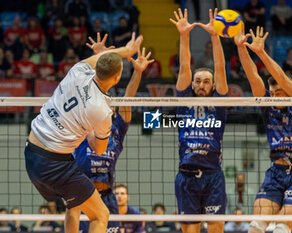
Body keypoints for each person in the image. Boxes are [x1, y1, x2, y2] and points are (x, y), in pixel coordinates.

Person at [24, 32, 143, 233]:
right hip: (54, 165)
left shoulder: (77, 70)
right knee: (101, 215)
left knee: (74, 205)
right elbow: (99, 149)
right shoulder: (102, 111)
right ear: (116, 78)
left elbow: (100, 59)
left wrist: (127, 51)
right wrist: (89, 130)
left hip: (31, 152)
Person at [235, 25, 292, 233]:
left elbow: (282, 79)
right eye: (272, 91)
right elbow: (253, 77)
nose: (276, 94)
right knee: (255, 227)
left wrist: (261, 53)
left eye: (279, 90)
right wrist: (241, 48)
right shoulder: (267, 106)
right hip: (276, 172)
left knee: (280, 228)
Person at [73, 40, 153, 233]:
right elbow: (89, 87)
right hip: (84, 194)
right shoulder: (85, 120)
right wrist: (99, 57)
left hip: (108, 196)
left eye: (109, 104)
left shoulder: (118, 127)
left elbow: (128, 98)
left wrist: (138, 71)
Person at [170, 8, 228, 233]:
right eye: (198, 81)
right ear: (192, 84)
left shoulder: (219, 104)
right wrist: (184, 35)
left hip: (213, 176)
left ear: (213, 86)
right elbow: (185, 66)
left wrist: (215, 36)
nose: (201, 85)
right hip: (186, 177)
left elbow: (220, 68)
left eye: (206, 82)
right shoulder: (183, 102)